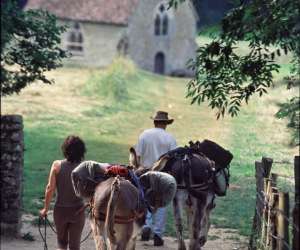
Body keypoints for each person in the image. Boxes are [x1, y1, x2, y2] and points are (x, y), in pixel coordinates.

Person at [135, 110, 177, 246]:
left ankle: (146, 225)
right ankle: (158, 233)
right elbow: (173, 159)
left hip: (145, 172)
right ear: (166, 124)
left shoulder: (144, 135)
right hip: (163, 174)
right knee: (161, 202)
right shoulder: (170, 138)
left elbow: (137, 156)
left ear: (154, 122)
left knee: (146, 198)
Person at [40, 135, 86, 250]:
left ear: (65, 149)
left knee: (62, 243)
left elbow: (50, 188)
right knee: (75, 246)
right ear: (81, 151)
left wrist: (45, 208)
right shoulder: (84, 168)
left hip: (60, 211)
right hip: (78, 211)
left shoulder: (56, 165)